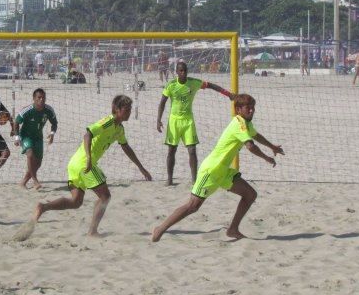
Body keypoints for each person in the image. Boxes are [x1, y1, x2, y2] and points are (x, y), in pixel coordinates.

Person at [152, 94, 284, 242]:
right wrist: (266, 158)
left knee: (250, 194)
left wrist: (272, 147)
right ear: (238, 110)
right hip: (211, 171)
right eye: (248, 108)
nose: (252, 110)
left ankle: (233, 229)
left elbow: (255, 135)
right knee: (193, 206)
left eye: (253, 107)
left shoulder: (246, 124)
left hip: (223, 171)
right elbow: (250, 146)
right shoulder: (238, 124)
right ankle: (160, 229)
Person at [28, 95, 152, 237]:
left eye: (130, 109)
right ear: (117, 109)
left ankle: (43, 207)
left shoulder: (120, 129)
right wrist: (88, 158)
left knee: (76, 202)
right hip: (84, 164)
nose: (129, 112)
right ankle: (92, 231)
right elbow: (87, 135)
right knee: (105, 196)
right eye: (127, 109)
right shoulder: (108, 122)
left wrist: (141, 168)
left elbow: (126, 147)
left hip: (75, 164)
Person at [156, 61, 235, 186]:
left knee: (192, 151)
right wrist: (158, 120)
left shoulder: (193, 83)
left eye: (185, 70)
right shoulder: (171, 85)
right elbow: (162, 103)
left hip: (188, 121)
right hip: (174, 122)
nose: (183, 73)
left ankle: (194, 180)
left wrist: (228, 94)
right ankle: (169, 179)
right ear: (176, 72)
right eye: (181, 71)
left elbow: (211, 85)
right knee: (171, 150)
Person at [13, 88, 58, 190]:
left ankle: (23, 182)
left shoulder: (49, 110)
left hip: (38, 137)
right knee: (30, 154)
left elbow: (54, 123)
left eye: (43, 97)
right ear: (34, 99)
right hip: (26, 136)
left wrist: (52, 133)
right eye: (39, 97)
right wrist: (17, 137)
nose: (41, 99)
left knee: (38, 163)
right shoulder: (28, 110)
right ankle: (35, 180)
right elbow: (16, 122)